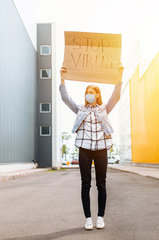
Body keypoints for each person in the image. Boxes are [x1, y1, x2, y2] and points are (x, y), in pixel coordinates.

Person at [59, 63, 124, 230]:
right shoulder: (80, 109)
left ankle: (100, 217)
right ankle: (88, 218)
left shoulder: (104, 109)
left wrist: (119, 77)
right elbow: (66, 99)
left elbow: (115, 96)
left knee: (101, 184)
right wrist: (62, 78)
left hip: (102, 149)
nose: (89, 95)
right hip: (85, 150)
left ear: (97, 95)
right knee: (85, 184)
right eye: (87, 92)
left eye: (92, 93)